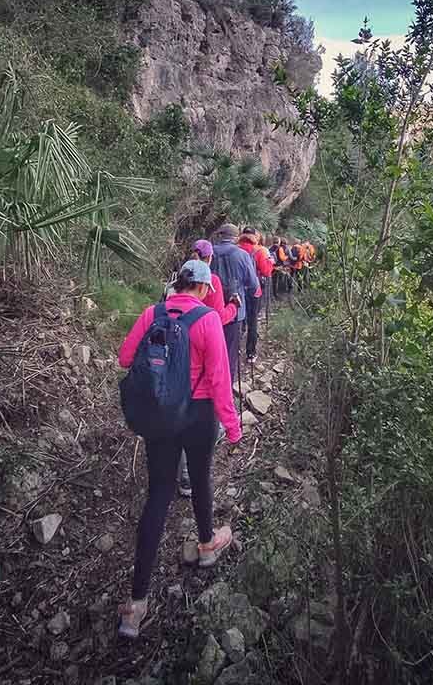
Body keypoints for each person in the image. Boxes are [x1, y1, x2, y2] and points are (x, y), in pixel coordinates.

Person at [117, 259, 241, 639]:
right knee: (201, 480)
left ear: (178, 284)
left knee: (158, 495)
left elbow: (125, 358)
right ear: (204, 288)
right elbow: (220, 381)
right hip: (199, 415)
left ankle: (136, 604)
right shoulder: (207, 320)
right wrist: (233, 429)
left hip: (161, 415)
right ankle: (206, 545)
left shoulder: (151, 313)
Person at [176, 239, 240, 497]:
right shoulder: (208, 283)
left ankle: (178, 475)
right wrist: (234, 307)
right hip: (198, 373)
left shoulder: (174, 282)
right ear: (209, 257)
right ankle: (190, 478)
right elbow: (218, 317)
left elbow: (127, 356)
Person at [211, 223, 259, 383]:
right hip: (235, 311)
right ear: (236, 237)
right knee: (230, 354)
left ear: (220, 235)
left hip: (210, 309)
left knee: (211, 351)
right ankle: (226, 391)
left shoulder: (210, 253)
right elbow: (253, 284)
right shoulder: (242, 255)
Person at [237, 227, 273, 363]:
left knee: (239, 319)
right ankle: (250, 353)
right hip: (254, 290)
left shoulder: (235, 249)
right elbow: (266, 272)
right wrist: (270, 263)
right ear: (255, 236)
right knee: (253, 321)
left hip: (237, 290)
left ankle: (236, 348)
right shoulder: (260, 250)